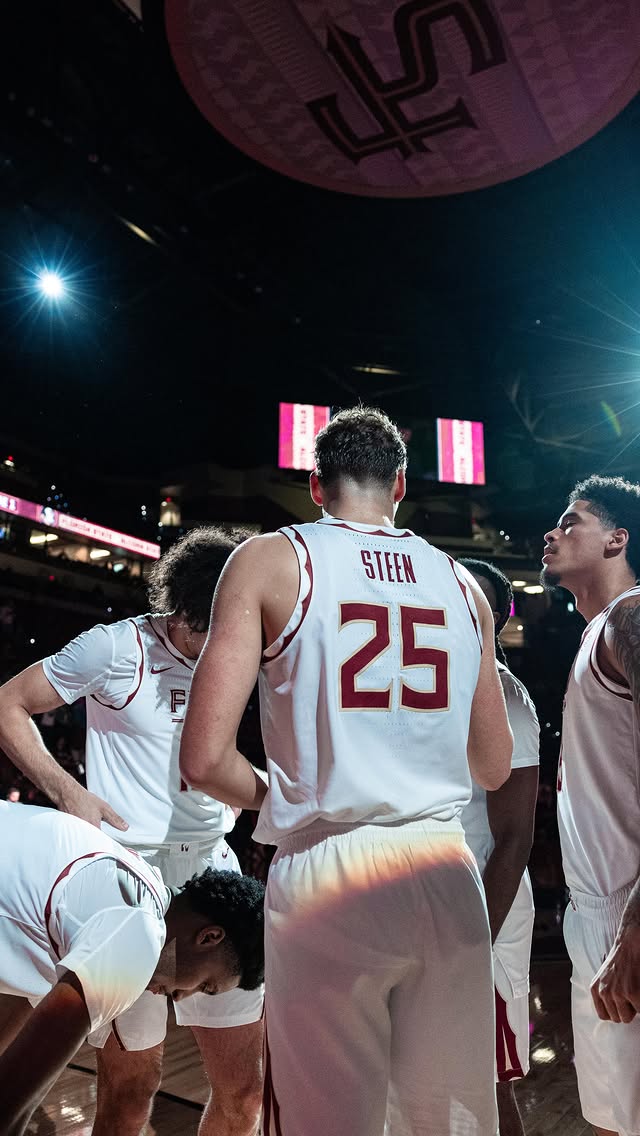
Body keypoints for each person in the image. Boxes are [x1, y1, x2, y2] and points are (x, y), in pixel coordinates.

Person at [180, 406, 513, 1136]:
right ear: (400, 485)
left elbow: (203, 757)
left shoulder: (271, 558)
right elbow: (492, 765)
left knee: (330, 1122)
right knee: (449, 1119)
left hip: (329, 864)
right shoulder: (463, 583)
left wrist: (276, 793)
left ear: (314, 484)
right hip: (445, 866)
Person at [0, 526, 264, 1136]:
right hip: (127, 880)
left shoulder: (241, 646)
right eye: (206, 630)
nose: (215, 646)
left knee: (244, 1092)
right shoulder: (116, 648)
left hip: (212, 871)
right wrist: (68, 790)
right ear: (181, 610)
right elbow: (10, 702)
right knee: (132, 1087)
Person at [0, 801, 265, 1136]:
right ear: (209, 936)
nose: (183, 998)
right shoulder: (136, 940)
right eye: (205, 985)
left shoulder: (138, 879)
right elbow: (12, 1100)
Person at [542, 475, 640, 1136]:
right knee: (609, 1120)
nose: (552, 533)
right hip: (596, 909)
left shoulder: (632, 616)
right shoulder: (597, 632)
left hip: (629, 908)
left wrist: (637, 923)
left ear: (617, 537)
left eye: (571, 521)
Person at [458, 559, 539, 1136]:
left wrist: (471, 940)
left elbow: (513, 839)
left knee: (488, 1079)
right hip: (427, 896)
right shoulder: (421, 680)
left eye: (477, 607)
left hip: (488, 903)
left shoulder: (507, 698)